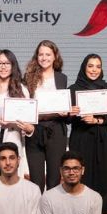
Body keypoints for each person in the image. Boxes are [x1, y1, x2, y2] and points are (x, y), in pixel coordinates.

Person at [24, 40, 76, 191]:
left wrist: (68, 112)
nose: (44, 58)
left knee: (54, 180)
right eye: (41, 54)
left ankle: (52, 207)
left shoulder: (62, 78)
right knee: (36, 181)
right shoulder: (28, 77)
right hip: (35, 130)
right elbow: (25, 106)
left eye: (48, 54)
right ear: (36, 57)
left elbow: (65, 113)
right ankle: (37, 207)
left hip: (56, 130)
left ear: (55, 57)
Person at [68, 53, 107, 196]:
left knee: (104, 179)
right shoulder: (73, 89)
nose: (94, 70)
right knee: (81, 178)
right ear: (84, 68)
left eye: (98, 67)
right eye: (90, 66)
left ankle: (103, 210)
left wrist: (97, 120)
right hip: (80, 139)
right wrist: (71, 113)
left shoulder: (106, 87)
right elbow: (67, 119)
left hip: (102, 141)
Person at [0, 50, 34, 181]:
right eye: (0, 63)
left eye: (7, 63)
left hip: (11, 136)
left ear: (13, 66)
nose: (3, 67)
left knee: (10, 179)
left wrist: (11, 123)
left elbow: (27, 120)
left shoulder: (21, 89)